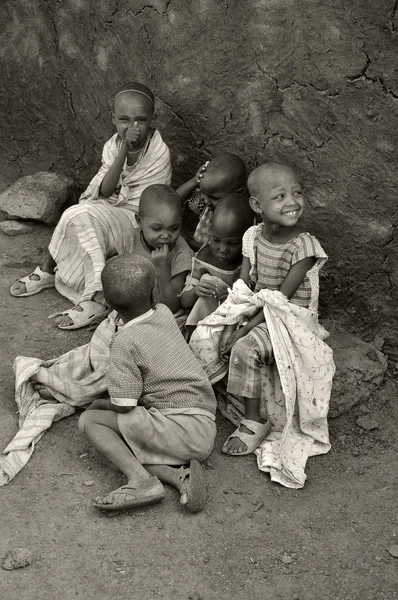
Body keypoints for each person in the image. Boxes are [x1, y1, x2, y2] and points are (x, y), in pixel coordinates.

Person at [0, 187, 193, 486]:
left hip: (157, 319)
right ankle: (67, 382)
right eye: (157, 228)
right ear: (139, 220)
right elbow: (117, 274)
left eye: (174, 228)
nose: (166, 236)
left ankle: (72, 392)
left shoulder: (180, 253)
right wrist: (110, 308)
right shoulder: (128, 238)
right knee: (95, 350)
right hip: (124, 315)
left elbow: (171, 305)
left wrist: (162, 270)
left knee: (117, 361)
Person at [189, 163, 334, 489]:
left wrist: (244, 329)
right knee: (207, 333)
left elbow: (282, 299)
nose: (292, 201)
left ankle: (253, 420)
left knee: (245, 347)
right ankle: (203, 395)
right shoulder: (252, 236)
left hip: (290, 318)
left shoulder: (304, 247)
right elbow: (244, 287)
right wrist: (232, 317)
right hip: (257, 308)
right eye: (280, 196)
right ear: (258, 206)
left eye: (296, 193)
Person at [10, 83, 172, 330]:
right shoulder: (113, 146)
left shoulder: (159, 153)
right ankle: (50, 272)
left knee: (80, 214)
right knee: (78, 213)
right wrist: (124, 149)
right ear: (113, 119)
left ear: (153, 119)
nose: (133, 127)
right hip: (105, 206)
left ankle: (95, 298)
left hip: (134, 216)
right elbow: (105, 190)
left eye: (141, 119)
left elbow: (149, 203)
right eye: (124, 119)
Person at [77, 253, 217, 513]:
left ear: (109, 303)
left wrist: (101, 405)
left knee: (90, 421)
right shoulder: (163, 313)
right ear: (154, 293)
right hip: (204, 426)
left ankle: (141, 481)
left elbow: (125, 405)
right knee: (105, 450)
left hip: (179, 427)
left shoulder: (124, 342)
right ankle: (178, 477)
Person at [180, 193, 254, 334]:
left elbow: (251, 301)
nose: (223, 250)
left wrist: (229, 297)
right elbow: (184, 301)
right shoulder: (204, 257)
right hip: (200, 326)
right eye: (216, 240)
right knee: (208, 280)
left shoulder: (248, 263)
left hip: (232, 325)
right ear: (209, 231)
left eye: (233, 243)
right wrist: (196, 291)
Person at [177, 153, 247, 251]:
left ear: (238, 193)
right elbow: (175, 200)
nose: (205, 200)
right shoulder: (205, 204)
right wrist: (195, 180)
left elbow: (217, 252)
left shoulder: (236, 219)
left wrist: (188, 242)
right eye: (202, 193)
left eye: (214, 198)